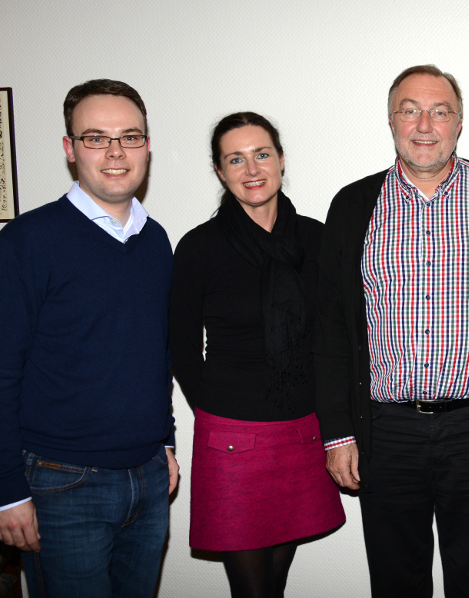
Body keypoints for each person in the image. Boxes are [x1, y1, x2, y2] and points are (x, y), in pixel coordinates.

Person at [315, 64, 469, 597]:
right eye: (411, 110)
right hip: (386, 433)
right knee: (395, 582)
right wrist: (339, 434)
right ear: (391, 121)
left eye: (441, 111)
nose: (425, 124)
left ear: (460, 123)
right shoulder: (353, 206)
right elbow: (331, 331)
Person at [0, 79, 177, 597]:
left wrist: (166, 442)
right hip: (61, 484)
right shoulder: (26, 242)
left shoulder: (156, 240)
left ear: (147, 145)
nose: (115, 151)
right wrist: (2, 492)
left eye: (130, 137)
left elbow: (157, 353)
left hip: (150, 480)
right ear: (70, 149)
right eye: (96, 137)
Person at [169, 112, 345, 598]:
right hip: (233, 436)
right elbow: (180, 345)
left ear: (282, 160)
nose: (252, 168)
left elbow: (337, 332)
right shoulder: (200, 248)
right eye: (236, 159)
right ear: (221, 172)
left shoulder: (316, 238)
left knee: (276, 583)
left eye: (262, 154)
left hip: (304, 431)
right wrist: (221, 405)